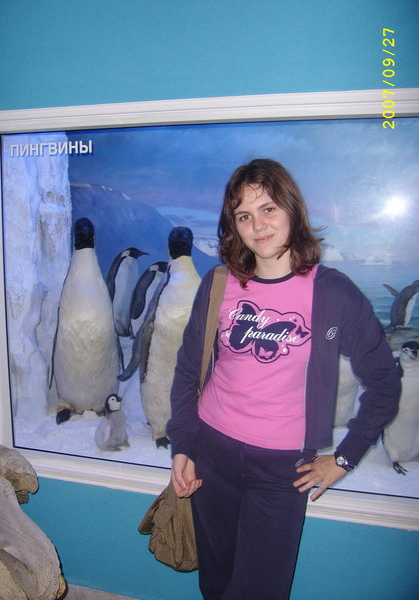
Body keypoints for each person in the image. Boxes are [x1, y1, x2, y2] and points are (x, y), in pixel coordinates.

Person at [167, 158, 400, 600]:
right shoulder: (218, 284)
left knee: (260, 590)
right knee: (216, 581)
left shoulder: (334, 293)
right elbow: (187, 368)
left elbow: (385, 384)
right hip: (212, 450)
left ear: (292, 209)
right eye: (243, 216)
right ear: (233, 227)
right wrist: (185, 443)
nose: (258, 225)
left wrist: (345, 458)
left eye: (268, 209)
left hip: (281, 470)